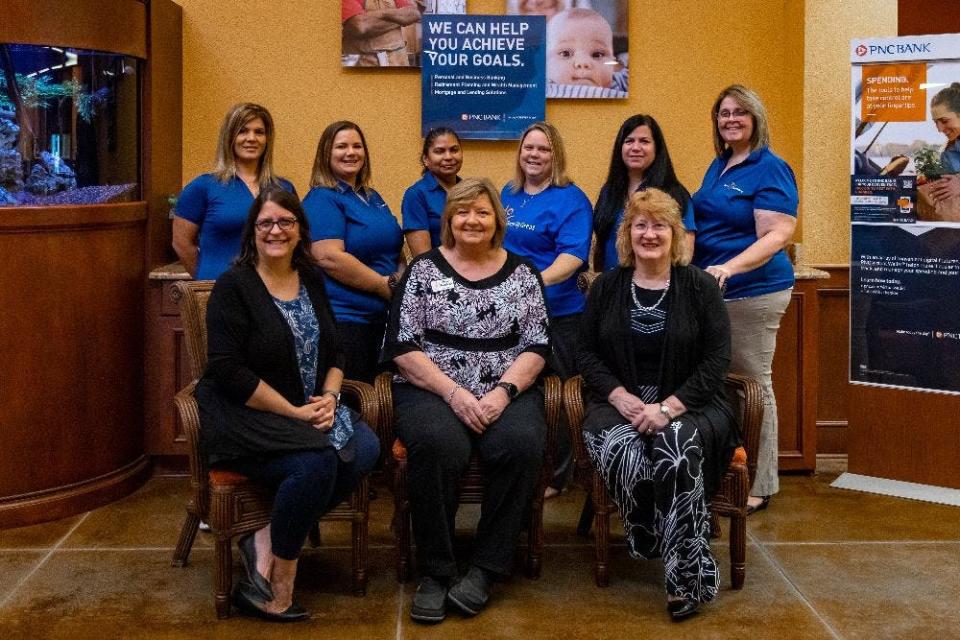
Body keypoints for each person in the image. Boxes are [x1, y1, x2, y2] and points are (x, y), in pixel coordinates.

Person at [196, 189, 380, 622]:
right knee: (317, 461)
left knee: (366, 448)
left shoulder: (311, 277)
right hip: (244, 412)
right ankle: (279, 582)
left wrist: (331, 398)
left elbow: (337, 349)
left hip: (307, 405)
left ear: (300, 230)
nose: (275, 231)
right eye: (265, 224)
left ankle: (264, 532)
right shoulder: (233, 286)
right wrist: (296, 413)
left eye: (285, 222)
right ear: (253, 232)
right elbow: (228, 371)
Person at [384, 178, 550, 623]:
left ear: (498, 219)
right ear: (448, 221)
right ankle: (437, 571)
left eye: (482, 212)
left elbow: (537, 346)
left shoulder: (524, 273)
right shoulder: (421, 270)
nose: (472, 220)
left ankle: (485, 567)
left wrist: (502, 393)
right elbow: (402, 346)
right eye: (462, 212)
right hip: (432, 389)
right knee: (439, 446)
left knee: (519, 445)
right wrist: (454, 394)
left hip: (507, 390)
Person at [578, 188, 738, 622]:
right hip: (618, 402)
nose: (649, 234)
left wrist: (668, 407)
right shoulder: (607, 286)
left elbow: (716, 362)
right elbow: (586, 354)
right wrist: (619, 396)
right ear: (627, 234)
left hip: (693, 404)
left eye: (660, 225)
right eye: (640, 225)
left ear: (677, 234)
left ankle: (683, 579)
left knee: (675, 445)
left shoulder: (701, 287)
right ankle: (649, 531)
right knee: (621, 447)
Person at [691, 84, 799, 515]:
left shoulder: (769, 167)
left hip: (753, 291)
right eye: (723, 113)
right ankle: (729, 470)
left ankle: (760, 483)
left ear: (756, 119)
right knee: (727, 389)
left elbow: (777, 234)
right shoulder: (720, 165)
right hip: (716, 293)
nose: (730, 119)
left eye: (739, 112)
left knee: (754, 385)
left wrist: (730, 268)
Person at [501, 121, 592, 498]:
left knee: (561, 395)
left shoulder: (572, 199)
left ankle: (558, 476)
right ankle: (523, 466)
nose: (534, 155)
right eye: (528, 148)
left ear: (555, 155)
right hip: (510, 315)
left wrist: (530, 284)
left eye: (543, 149)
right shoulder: (509, 193)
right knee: (522, 392)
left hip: (560, 314)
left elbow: (572, 257)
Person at [303, 120, 403, 383]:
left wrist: (400, 283)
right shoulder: (322, 198)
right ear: (326, 153)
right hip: (346, 321)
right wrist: (384, 286)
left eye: (357, 146)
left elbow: (394, 245)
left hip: (383, 320)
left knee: (385, 404)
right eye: (341, 146)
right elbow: (329, 257)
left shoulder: (373, 197)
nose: (351, 152)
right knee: (355, 404)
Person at [172, 103, 297, 280]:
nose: (251, 138)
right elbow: (181, 244)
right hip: (220, 289)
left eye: (259, 132)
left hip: (272, 290)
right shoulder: (203, 187)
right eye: (243, 131)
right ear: (230, 137)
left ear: (267, 139)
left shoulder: (284, 188)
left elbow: (294, 239)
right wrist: (208, 279)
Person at [593, 114, 697, 272]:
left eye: (644, 141)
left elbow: (684, 255)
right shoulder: (609, 192)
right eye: (629, 141)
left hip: (658, 290)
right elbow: (600, 247)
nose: (635, 147)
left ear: (657, 148)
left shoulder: (675, 194)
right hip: (613, 288)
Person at [401, 127, 463, 257]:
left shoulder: (470, 191)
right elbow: (423, 259)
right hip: (439, 274)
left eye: (454, 150)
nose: (448, 157)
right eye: (439, 151)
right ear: (426, 159)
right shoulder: (416, 195)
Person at [545, 9, 627, 98]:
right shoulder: (544, 88)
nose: (583, 63)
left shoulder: (618, 82)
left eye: (597, 55)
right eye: (565, 53)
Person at [341, 0, 422, 67]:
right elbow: (361, 26)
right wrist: (400, 18)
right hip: (363, 63)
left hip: (398, 61)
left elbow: (414, 14)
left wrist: (382, 14)